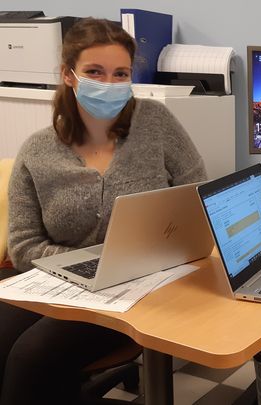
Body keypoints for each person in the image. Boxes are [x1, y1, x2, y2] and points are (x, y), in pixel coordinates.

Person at [0, 18, 206, 404]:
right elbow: (24, 247)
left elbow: (197, 199)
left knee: (31, 359)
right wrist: (92, 265)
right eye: (95, 72)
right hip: (55, 283)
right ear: (68, 75)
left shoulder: (157, 124)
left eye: (120, 73)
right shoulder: (37, 150)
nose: (109, 84)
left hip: (139, 288)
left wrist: (135, 262)